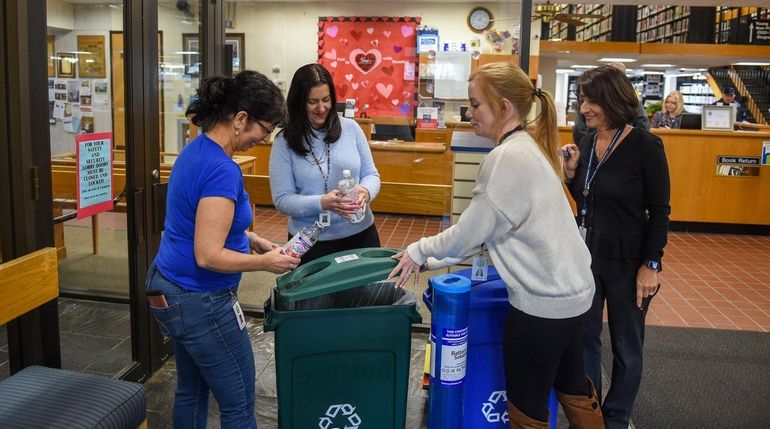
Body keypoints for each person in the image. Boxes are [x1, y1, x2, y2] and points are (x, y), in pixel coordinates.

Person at [388, 62, 603, 428]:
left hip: (542, 307)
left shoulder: (505, 159)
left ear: (504, 107)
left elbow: (469, 232)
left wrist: (418, 250)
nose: (468, 113)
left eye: (475, 105)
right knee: (573, 388)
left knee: (527, 408)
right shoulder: (528, 147)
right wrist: (427, 261)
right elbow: (492, 233)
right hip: (574, 295)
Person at [146, 70, 300, 428]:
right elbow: (208, 254)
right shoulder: (220, 169)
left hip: (171, 287)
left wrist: (251, 239)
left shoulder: (195, 150)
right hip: (201, 299)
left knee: (192, 391)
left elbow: (196, 223)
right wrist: (265, 262)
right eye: (264, 129)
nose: (263, 139)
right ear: (240, 119)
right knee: (239, 403)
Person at [563, 65, 671, 429]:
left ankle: (617, 416)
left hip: (629, 262)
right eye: (581, 101)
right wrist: (573, 175)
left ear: (611, 99)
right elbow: (586, 202)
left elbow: (659, 211)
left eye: (591, 100)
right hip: (588, 257)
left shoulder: (646, 146)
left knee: (627, 346)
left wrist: (650, 265)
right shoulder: (588, 143)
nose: (584, 109)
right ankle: (590, 414)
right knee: (585, 340)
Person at [270, 63, 381, 265]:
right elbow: (282, 200)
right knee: (315, 297)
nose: (321, 108)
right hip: (311, 243)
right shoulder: (284, 142)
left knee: (366, 296)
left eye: (326, 100)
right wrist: (322, 202)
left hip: (361, 235)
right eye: (312, 102)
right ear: (298, 102)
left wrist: (365, 190)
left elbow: (371, 174)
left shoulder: (351, 129)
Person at [572, 62, 648, 144]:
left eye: (593, 101)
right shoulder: (587, 143)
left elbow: (641, 124)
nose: (583, 110)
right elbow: (579, 129)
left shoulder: (647, 144)